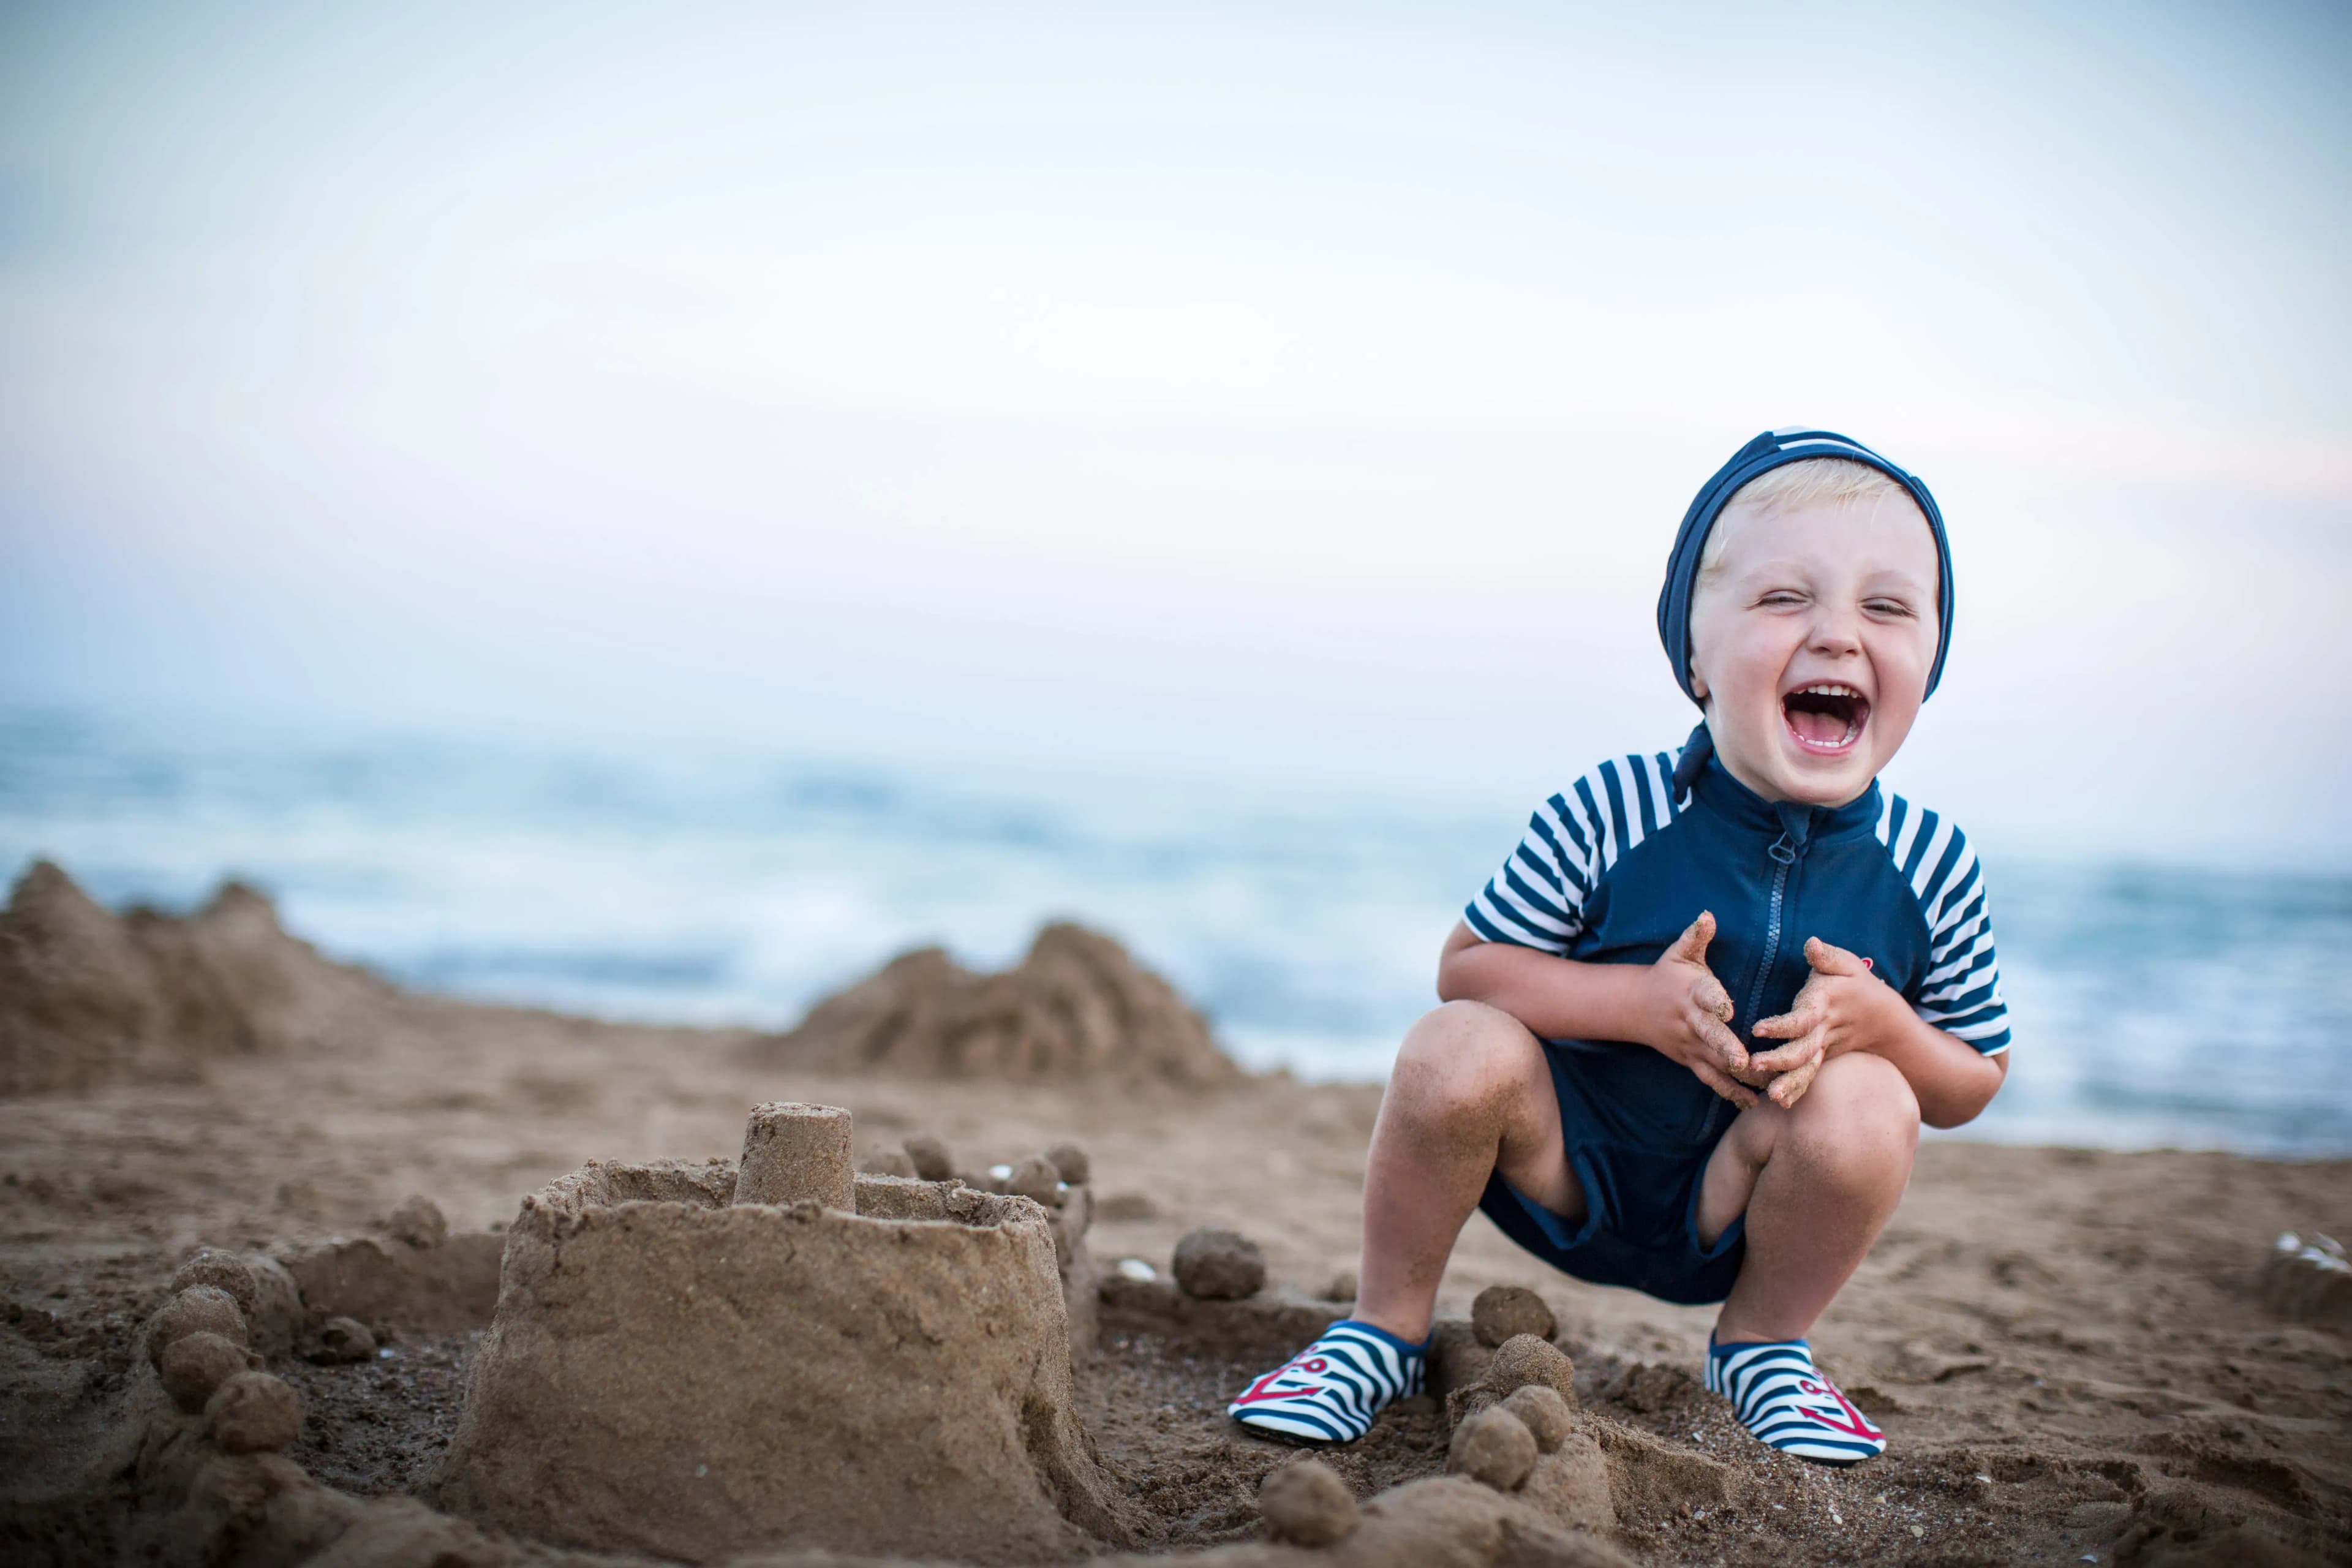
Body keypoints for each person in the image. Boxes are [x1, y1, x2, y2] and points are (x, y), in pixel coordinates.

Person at [1226, 429, 2010, 1466]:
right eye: (1785, 598)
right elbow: (1469, 969)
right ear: (1694, 657)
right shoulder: (1614, 807)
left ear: (1932, 664)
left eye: (1888, 607)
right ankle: (1383, 1329)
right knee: (1454, 1043)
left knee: (1875, 1098)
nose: (1837, 635)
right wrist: (1635, 1004)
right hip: (1563, 1165)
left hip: (1742, 1203)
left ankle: (1763, 1348)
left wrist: (1887, 1030)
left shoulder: (1931, 864)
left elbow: (1971, 1079)